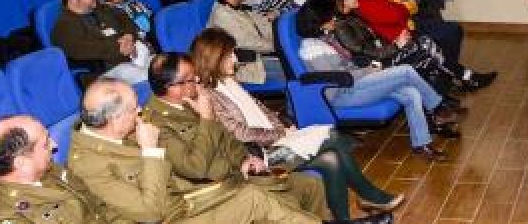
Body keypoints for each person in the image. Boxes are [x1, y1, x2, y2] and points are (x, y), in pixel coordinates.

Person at [66, 78, 362, 223]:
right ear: (113, 118)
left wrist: (230, 175)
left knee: (293, 188)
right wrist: (150, 152)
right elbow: (150, 211)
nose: (140, 111)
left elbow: (184, 176)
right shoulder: (89, 163)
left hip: (188, 200)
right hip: (171, 217)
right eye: (133, 109)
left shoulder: (122, 132)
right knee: (254, 200)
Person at [141, 54, 387, 224]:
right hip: (213, 188)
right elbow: (194, 168)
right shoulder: (158, 123)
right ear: (172, 87)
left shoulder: (189, 102)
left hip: (239, 171)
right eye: (189, 80)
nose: (196, 82)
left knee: (312, 186)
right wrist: (206, 118)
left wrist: (245, 158)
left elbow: (227, 138)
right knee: (282, 194)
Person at [190, 29, 405, 217]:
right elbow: (240, 134)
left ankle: (344, 218)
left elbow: (261, 109)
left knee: (331, 159)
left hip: (274, 140)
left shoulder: (228, 82)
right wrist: (278, 134)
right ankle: (368, 195)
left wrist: (282, 125)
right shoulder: (210, 96)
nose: (235, 59)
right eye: (229, 55)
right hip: (260, 156)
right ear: (214, 58)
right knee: (334, 137)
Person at [295, 0, 458, 160]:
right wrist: (370, 70)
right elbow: (338, 78)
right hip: (342, 94)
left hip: (354, 84)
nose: (334, 19)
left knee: (411, 92)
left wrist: (368, 70)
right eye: (330, 17)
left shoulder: (327, 39)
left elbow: (348, 66)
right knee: (406, 71)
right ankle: (437, 108)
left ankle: (421, 145)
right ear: (320, 22)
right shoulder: (312, 49)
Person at [362, 0, 495, 91]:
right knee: (447, 36)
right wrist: (404, 6)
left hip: (412, 24)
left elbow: (411, 5)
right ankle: (459, 77)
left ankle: (448, 77)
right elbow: (398, 14)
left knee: (454, 30)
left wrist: (404, 5)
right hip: (404, 34)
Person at [333, 0, 470, 99]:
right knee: (423, 52)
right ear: (342, 1)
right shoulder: (342, 25)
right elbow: (366, 53)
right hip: (376, 64)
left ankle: (443, 95)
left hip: (384, 53)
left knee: (424, 45)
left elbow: (393, 19)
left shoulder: (354, 15)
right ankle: (449, 90)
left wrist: (397, 42)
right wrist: (396, 45)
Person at [0, 114, 105, 223]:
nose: (54, 145)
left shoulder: (42, 168)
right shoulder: (2, 217)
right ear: (21, 162)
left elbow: (93, 196)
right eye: (46, 143)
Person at [52, 0, 150, 84]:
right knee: (150, 78)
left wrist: (129, 36)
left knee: (166, 67)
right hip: (105, 73)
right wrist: (120, 46)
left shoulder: (100, 9)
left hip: (132, 57)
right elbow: (84, 50)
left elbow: (126, 19)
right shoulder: (64, 26)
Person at [207, 0, 284, 85]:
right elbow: (249, 42)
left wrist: (283, 38)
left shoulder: (241, 7)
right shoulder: (222, 16)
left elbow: (265, 25)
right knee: (296, 69)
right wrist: (281, 46)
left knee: (301, 58)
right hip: (247, 66)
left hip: (262, 56)